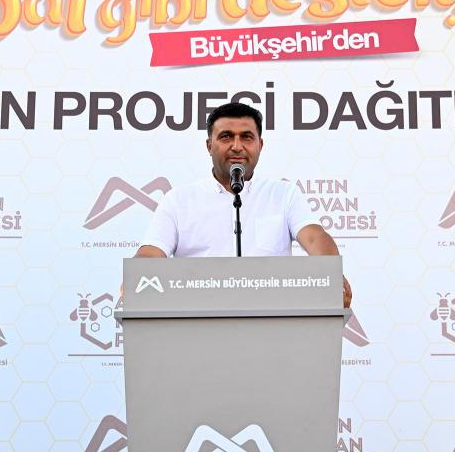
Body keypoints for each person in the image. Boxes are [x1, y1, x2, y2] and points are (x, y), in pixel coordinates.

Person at [133, 102, 352, 308]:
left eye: (246, 137)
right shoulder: (179, 200)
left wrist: (331, 273)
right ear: (209, 146)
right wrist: (136, 280)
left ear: (260, 145)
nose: (237, 147)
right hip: (197, 317)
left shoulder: (284, 194)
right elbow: (152, 252)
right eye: (226, 137)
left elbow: (314, 237)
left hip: (273, 318)